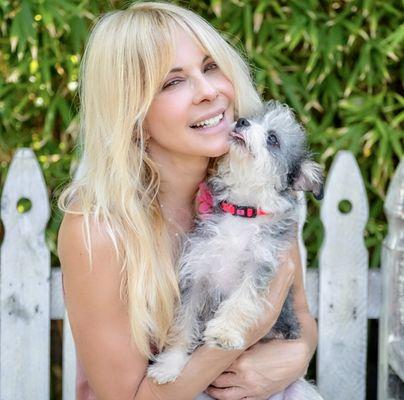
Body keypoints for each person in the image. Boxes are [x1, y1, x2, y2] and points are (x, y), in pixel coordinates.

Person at [57, 2, 318, 399]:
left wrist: (297, 355)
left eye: (210, 67)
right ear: (132, 115)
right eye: (172, 82)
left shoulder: (257, 200)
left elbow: (299, 313)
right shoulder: (96, 231)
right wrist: (244, 331)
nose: (210, 91)